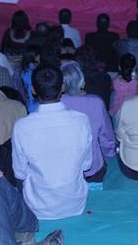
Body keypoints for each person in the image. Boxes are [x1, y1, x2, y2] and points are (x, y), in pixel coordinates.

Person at [12, 65, 93, 219]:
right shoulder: (81, 120)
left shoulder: (21, 126)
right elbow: (87, 165)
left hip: (37, 207)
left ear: (33, 90)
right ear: (62, 87)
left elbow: (19, 172)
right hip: (75, 204)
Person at [60, 63, 115, 182]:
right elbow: (106, 137)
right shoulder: (95, 102)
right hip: (93, 167)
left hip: (63, 168)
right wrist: (109, 156)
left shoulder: (56, 104)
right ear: (83, 83)